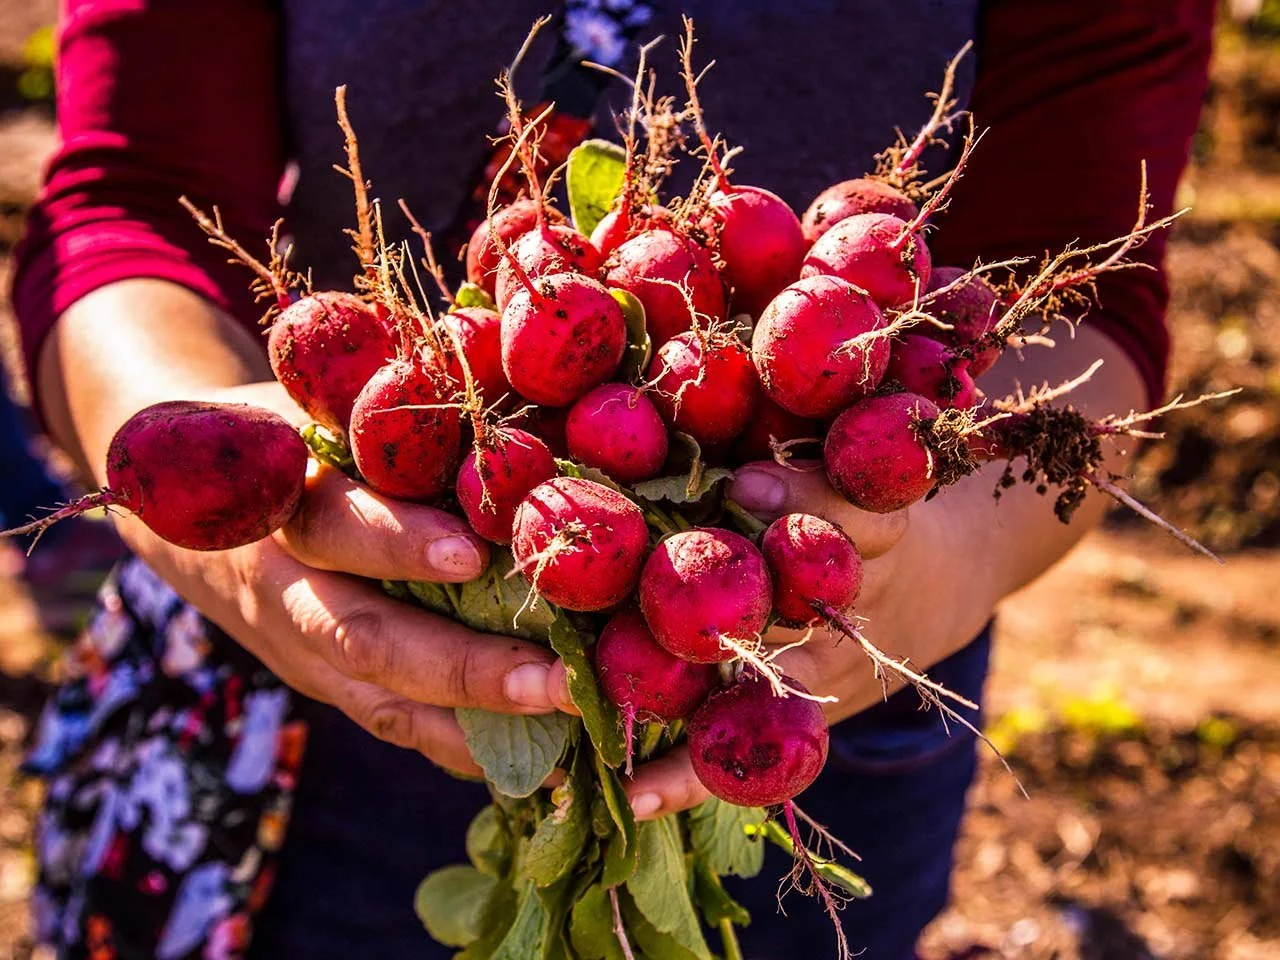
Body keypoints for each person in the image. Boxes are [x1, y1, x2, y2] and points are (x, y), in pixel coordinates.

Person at [10, 1, 1213, 957]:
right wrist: (239, 532)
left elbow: (1086, 301)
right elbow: (132, 201)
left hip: (821, 700)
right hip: (296, 676)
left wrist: (922, 569)